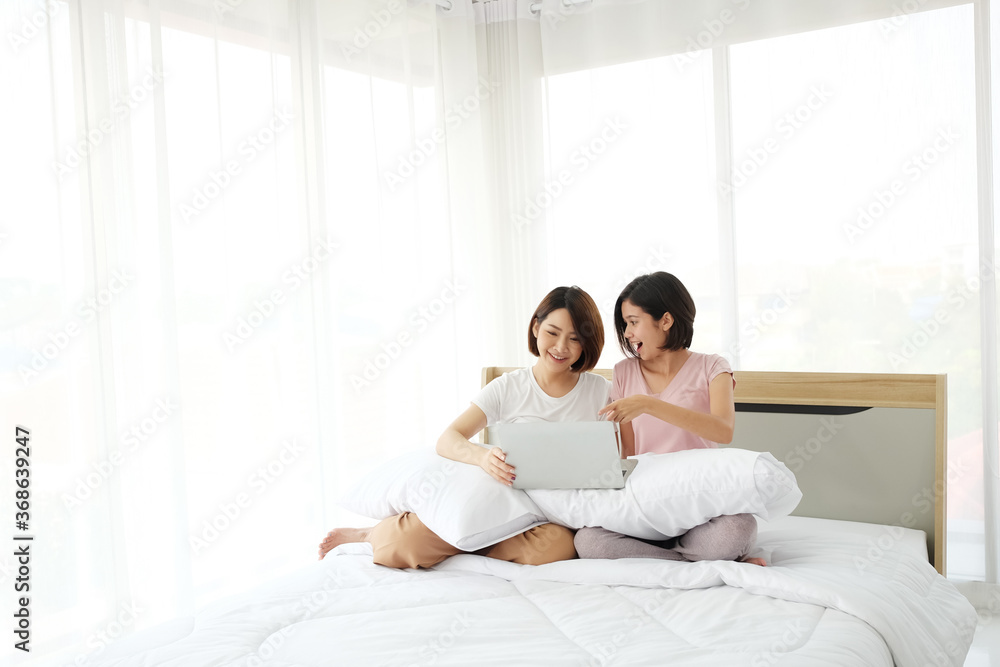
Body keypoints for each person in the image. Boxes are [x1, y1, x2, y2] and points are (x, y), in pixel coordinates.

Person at [318, 285, 609, 568]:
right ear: (536, 328)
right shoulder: (508, 387)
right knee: (400, 546)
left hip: (548, 516)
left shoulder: (601, 391)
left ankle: (459, 549)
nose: (560, 347)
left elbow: (619, 458)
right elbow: (448, 439)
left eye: (574, 338)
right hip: (498, 506)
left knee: (556, 548)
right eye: (552, 333)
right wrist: (482, 457)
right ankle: (368, 533)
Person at [574, 271, 766, 566]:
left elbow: (723, 430)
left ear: (665, 320)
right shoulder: (624, 372)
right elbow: (627, 453)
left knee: (740, 527)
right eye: (625, 324)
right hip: (647, 508)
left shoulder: (713, 367)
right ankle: (688, 559)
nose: (627, 333)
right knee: (587, 541)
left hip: (700, 506)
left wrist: (650, 405)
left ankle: (677, 556)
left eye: (634, 322)